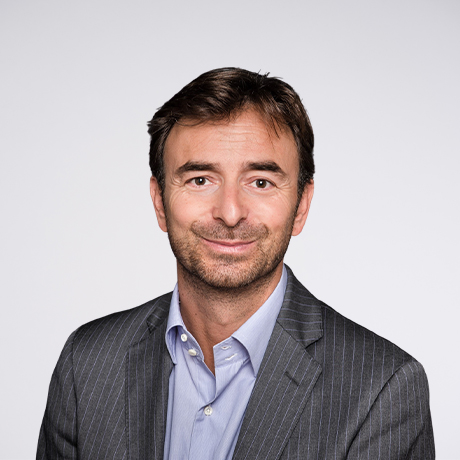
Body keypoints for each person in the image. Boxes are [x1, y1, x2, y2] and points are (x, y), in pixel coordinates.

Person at [37, 67, 435, 460]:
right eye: (200, 180)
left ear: (301, 206)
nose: (230, 213)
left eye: (260, 182)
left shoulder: (381, 390)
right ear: (160, 202)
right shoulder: (86, 364)